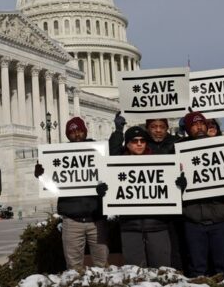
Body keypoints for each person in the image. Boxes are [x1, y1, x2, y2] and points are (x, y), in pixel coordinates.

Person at [34, 117, 108, 270]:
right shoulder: (59, 155)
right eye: (72, 132)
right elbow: (51, 184)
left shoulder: (99, 151)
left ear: (85, 132)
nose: (77, 134)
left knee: (103, 266)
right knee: (74, 268)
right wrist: (41, 175)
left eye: (80, 131)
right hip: (72, 220)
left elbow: (113, 174)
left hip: (97, 218)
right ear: (68, 135)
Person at [100, 126, 173, 268]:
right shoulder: (116, 166)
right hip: (130, 226)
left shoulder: (160, 161)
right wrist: (103, 190)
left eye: (142, 141)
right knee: (135, 271)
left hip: (157, 225)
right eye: (134, 141)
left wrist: (178, 185)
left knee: (161, 270)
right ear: (127, 144)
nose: (139, 144)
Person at [179, 111, 224, 280]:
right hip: (193, 220)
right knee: (197, 270)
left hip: (220, 218)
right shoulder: (178, 152)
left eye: (202, 123)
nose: (199, 127)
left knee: (223, 268)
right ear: (187, 129)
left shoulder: (221, 147)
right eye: (194, 124)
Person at [109, 112, 180, 155]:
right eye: (153, 127)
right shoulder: (141, 143)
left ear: (167, 128)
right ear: (147, 128)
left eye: (162, 127)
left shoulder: (178, 142)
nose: (158, 130)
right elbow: (115, 155)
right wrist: (118, 131)